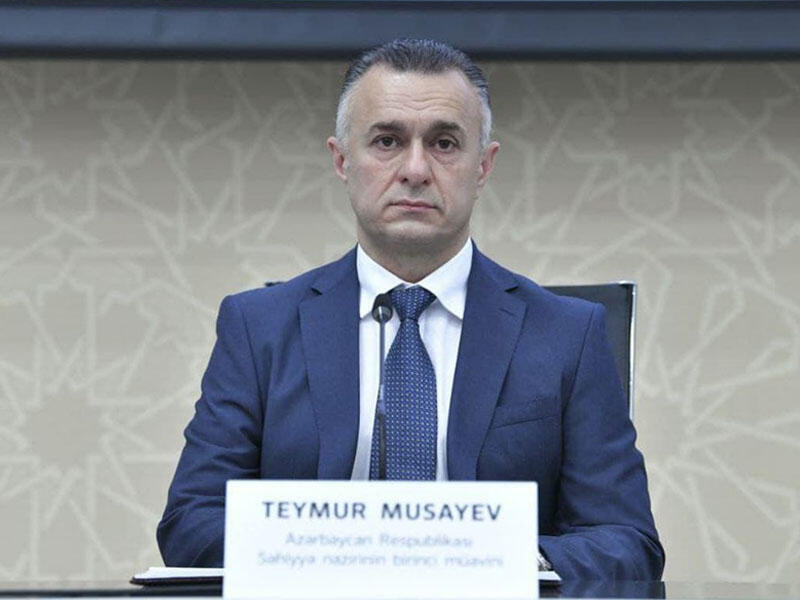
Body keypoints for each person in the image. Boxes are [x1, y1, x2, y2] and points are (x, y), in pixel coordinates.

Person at [157, 38, 664, 580]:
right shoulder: (258, 327)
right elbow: (192, 523)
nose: (416, 169)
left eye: (444, 143)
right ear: (342, 160)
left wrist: (497, 559)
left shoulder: (568, 334)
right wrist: (338, 553)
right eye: (387, 141)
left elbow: (627, 541)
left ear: (483, 166)